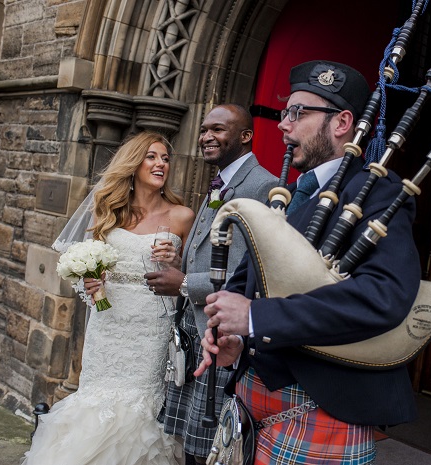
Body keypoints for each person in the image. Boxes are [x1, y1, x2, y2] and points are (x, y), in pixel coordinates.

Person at [195, 60, 422, 464]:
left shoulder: (378, 194)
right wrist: (234, 332)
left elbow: (384, 295)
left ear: (341, 123)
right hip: (253, 397)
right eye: (286, 113)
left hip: (321, 403)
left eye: (299, 113)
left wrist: (255, 318)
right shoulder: (292, 194)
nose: (284, 125)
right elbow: (252, 277)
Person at [23, 131, 194, 465]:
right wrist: (91, 284)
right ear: (133, 164)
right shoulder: (107, 209)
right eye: (152, 156)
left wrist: (175, 262)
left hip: (152, 329)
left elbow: (189, 277)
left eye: (165, 158)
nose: (161, 163)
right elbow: (87, 266)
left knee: (141, 406)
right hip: (109, 325)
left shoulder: (182, 216)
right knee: (96, 402)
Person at [144, 104, 278, 464]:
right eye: (204, 130)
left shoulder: (264, 185)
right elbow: (211, 250)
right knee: (187, 442)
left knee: (207, 447)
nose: (206, 137)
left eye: (217, 130)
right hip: (193, 327)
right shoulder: (220, 180)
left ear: (246, 136)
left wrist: (185, 281)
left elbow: (248, 270)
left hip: (219, 330)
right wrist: (180, 261)